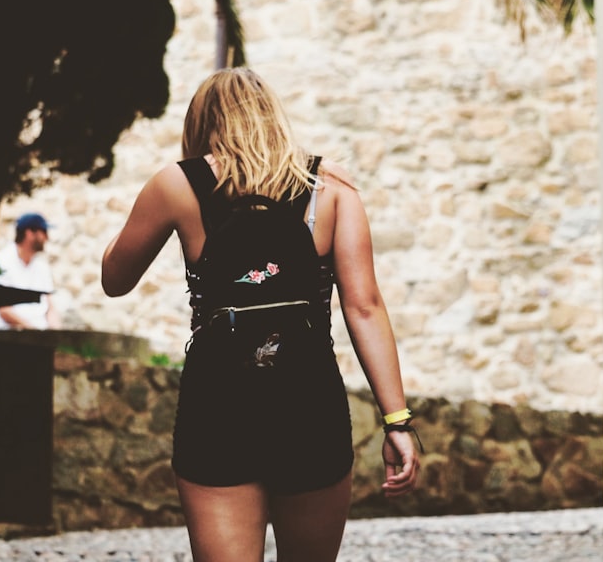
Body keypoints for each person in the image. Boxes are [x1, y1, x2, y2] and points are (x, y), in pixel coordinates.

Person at [101, 67, 418, 562]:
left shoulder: (177, 185)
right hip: (309, 404)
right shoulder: (330, 187)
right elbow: (364, 307)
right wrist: (396, 421)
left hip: (218, 406)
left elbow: (114, 280)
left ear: (202, 123)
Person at [0, 212, 62, 331]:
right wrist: (35, 332)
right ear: (29, 234)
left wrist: (57, 334)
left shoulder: (42, 267)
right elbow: (3, 310)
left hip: (40, 337)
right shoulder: (1, 262)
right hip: (9, 336)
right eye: (44, 232)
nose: (47, 238)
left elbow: (50, 307)